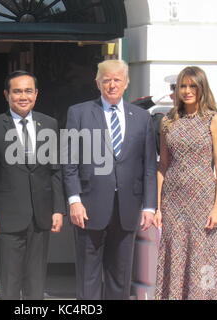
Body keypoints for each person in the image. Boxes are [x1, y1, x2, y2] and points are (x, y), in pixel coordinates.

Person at [62, 59, 157, 300]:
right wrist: (74, 200)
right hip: (88, 206)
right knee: (88, 275)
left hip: (127, 207)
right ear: (98, 83)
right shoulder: (79, 113)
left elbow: (148, 165)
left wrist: (149, 205)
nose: (112, 85)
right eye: (107, 80)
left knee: (120, 275)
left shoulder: (142, 117)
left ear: (126, 83)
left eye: (117, 80)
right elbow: (69, 161)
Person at [0, 70, 66, 300]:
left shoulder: (50, 124)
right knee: (10, 283)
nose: (23, 96)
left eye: (28, 91)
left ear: (36, 94)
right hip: (6, 217)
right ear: (7, 94)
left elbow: (55, 169)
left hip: (41, 215)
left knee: (36, 283)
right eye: (17, 91)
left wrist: (58, 208)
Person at [154, 66, 217, 300]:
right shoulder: (168, 121)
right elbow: (163, 166)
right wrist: (158, 206)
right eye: (182, 86)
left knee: (203, 255)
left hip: (202, 201)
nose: (187, 91)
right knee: (174, 254)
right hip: (173, 201)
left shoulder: (213, 119)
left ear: (201, 88)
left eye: (192, 86)